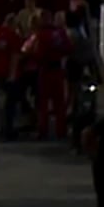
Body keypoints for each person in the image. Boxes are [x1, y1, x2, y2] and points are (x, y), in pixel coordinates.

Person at [24, 11, 73, 140]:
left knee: (43, 103)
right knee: (59, 103)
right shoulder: (60, 33)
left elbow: (36, 53)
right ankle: (61, 131)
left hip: (45, 70)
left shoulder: (40, 35)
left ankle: (43, 131)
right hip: (58, 70)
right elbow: (69, 48)